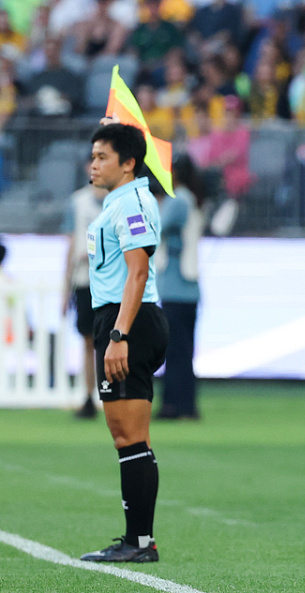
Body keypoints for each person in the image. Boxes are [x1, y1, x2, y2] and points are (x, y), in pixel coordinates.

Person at [80, 122, 169, 563]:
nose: (93, 165)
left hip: (127, 321)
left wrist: (119, 335)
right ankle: (139, 540)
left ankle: (139, 543)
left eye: (102, 157)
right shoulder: (119, 201)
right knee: (130, 438)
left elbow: (138, 271)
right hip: (120, 318)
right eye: (93, 156)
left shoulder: (132, 203)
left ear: (129, 163)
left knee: (129, 438)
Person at [155, 155, 204, 420]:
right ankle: (186, 403)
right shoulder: (192, 199)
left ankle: (173, 405)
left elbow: (157, 228)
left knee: (174, 350)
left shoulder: (178, 200)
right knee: (184, 351)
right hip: (188, 288)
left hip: (175, 287)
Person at [62, 181, 107, 419]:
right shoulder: (78, 202)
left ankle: (113, 396)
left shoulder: (120, 200)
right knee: (89, 341)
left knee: (111, 341)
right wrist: (65, 289)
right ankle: (89, 395)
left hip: (112, 283)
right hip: (85, 280)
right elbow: (71, 246)